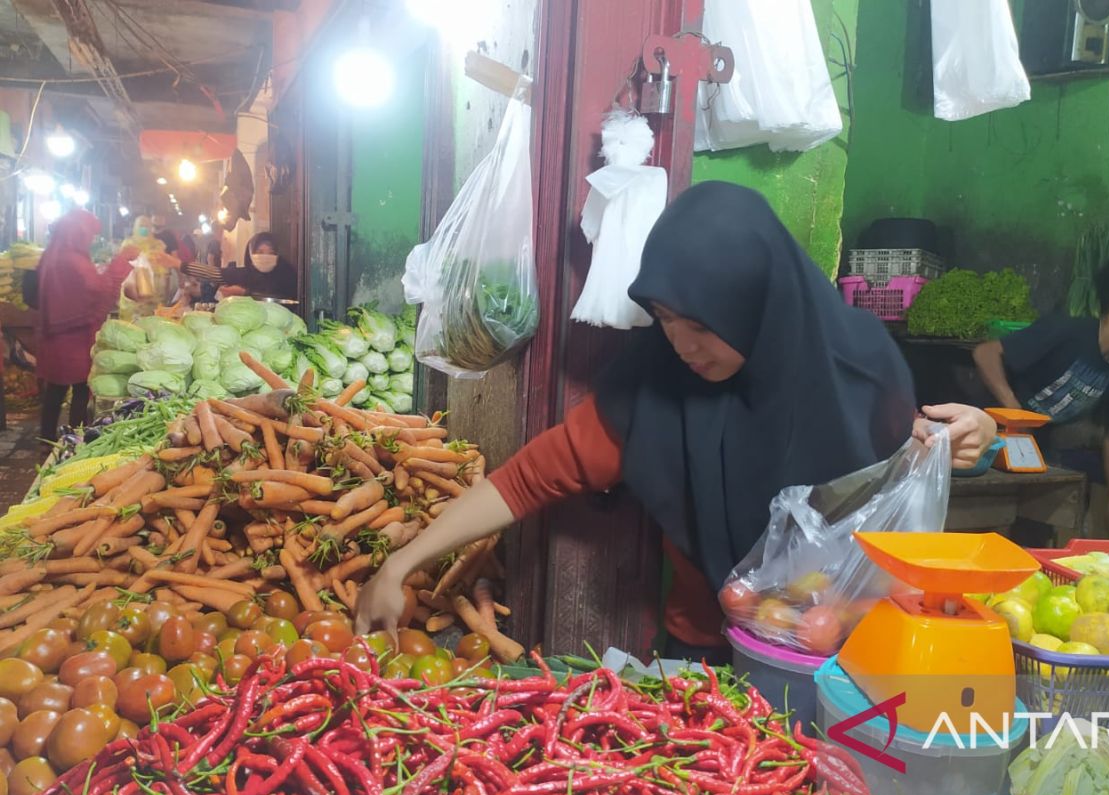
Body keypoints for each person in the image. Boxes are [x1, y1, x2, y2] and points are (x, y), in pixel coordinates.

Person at [355, 182, 996, 660]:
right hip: (707, 656)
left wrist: (979, 434)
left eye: (700, 323)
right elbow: (528, 479)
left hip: (847, 658)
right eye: (663, 317)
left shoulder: (859, 366)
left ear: (756, 303)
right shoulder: (655, 383)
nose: (680, 343)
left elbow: (920, 452)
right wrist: (399, 565)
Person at [973, 257, 1109, 533]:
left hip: (1034, 446)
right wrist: (1014, 409)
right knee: (980, 518)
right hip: (987, 430)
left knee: (1033, 531)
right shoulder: (1068, 332)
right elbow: (985, 353)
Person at [36, 209, 138, 446]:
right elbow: (98, 292)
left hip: (54, 337)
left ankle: (46, 440)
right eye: (89, 235)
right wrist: (120, 262)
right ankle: (75, 437)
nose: (91, 240)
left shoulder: (53, 254)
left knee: (55, 392)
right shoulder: (73, 261)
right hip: (73, 340)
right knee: (81, 388)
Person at [119, 216, 181, 321]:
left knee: (152, 323)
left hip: (155, 296)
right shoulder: (128, 244)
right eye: (141, 226)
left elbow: (165, 271)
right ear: (135, 227)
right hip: (133, 296)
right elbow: (121, 267)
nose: (144, 229)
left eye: (146, 226)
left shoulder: (158, 245)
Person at [219, 232, 297, 300]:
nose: (266, 256)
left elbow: (283, 300)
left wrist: (244, 294)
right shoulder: (246, 274)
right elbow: (215, 273)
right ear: (250, 255)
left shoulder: (286, 275)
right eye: (260, 252)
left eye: (271, 252)